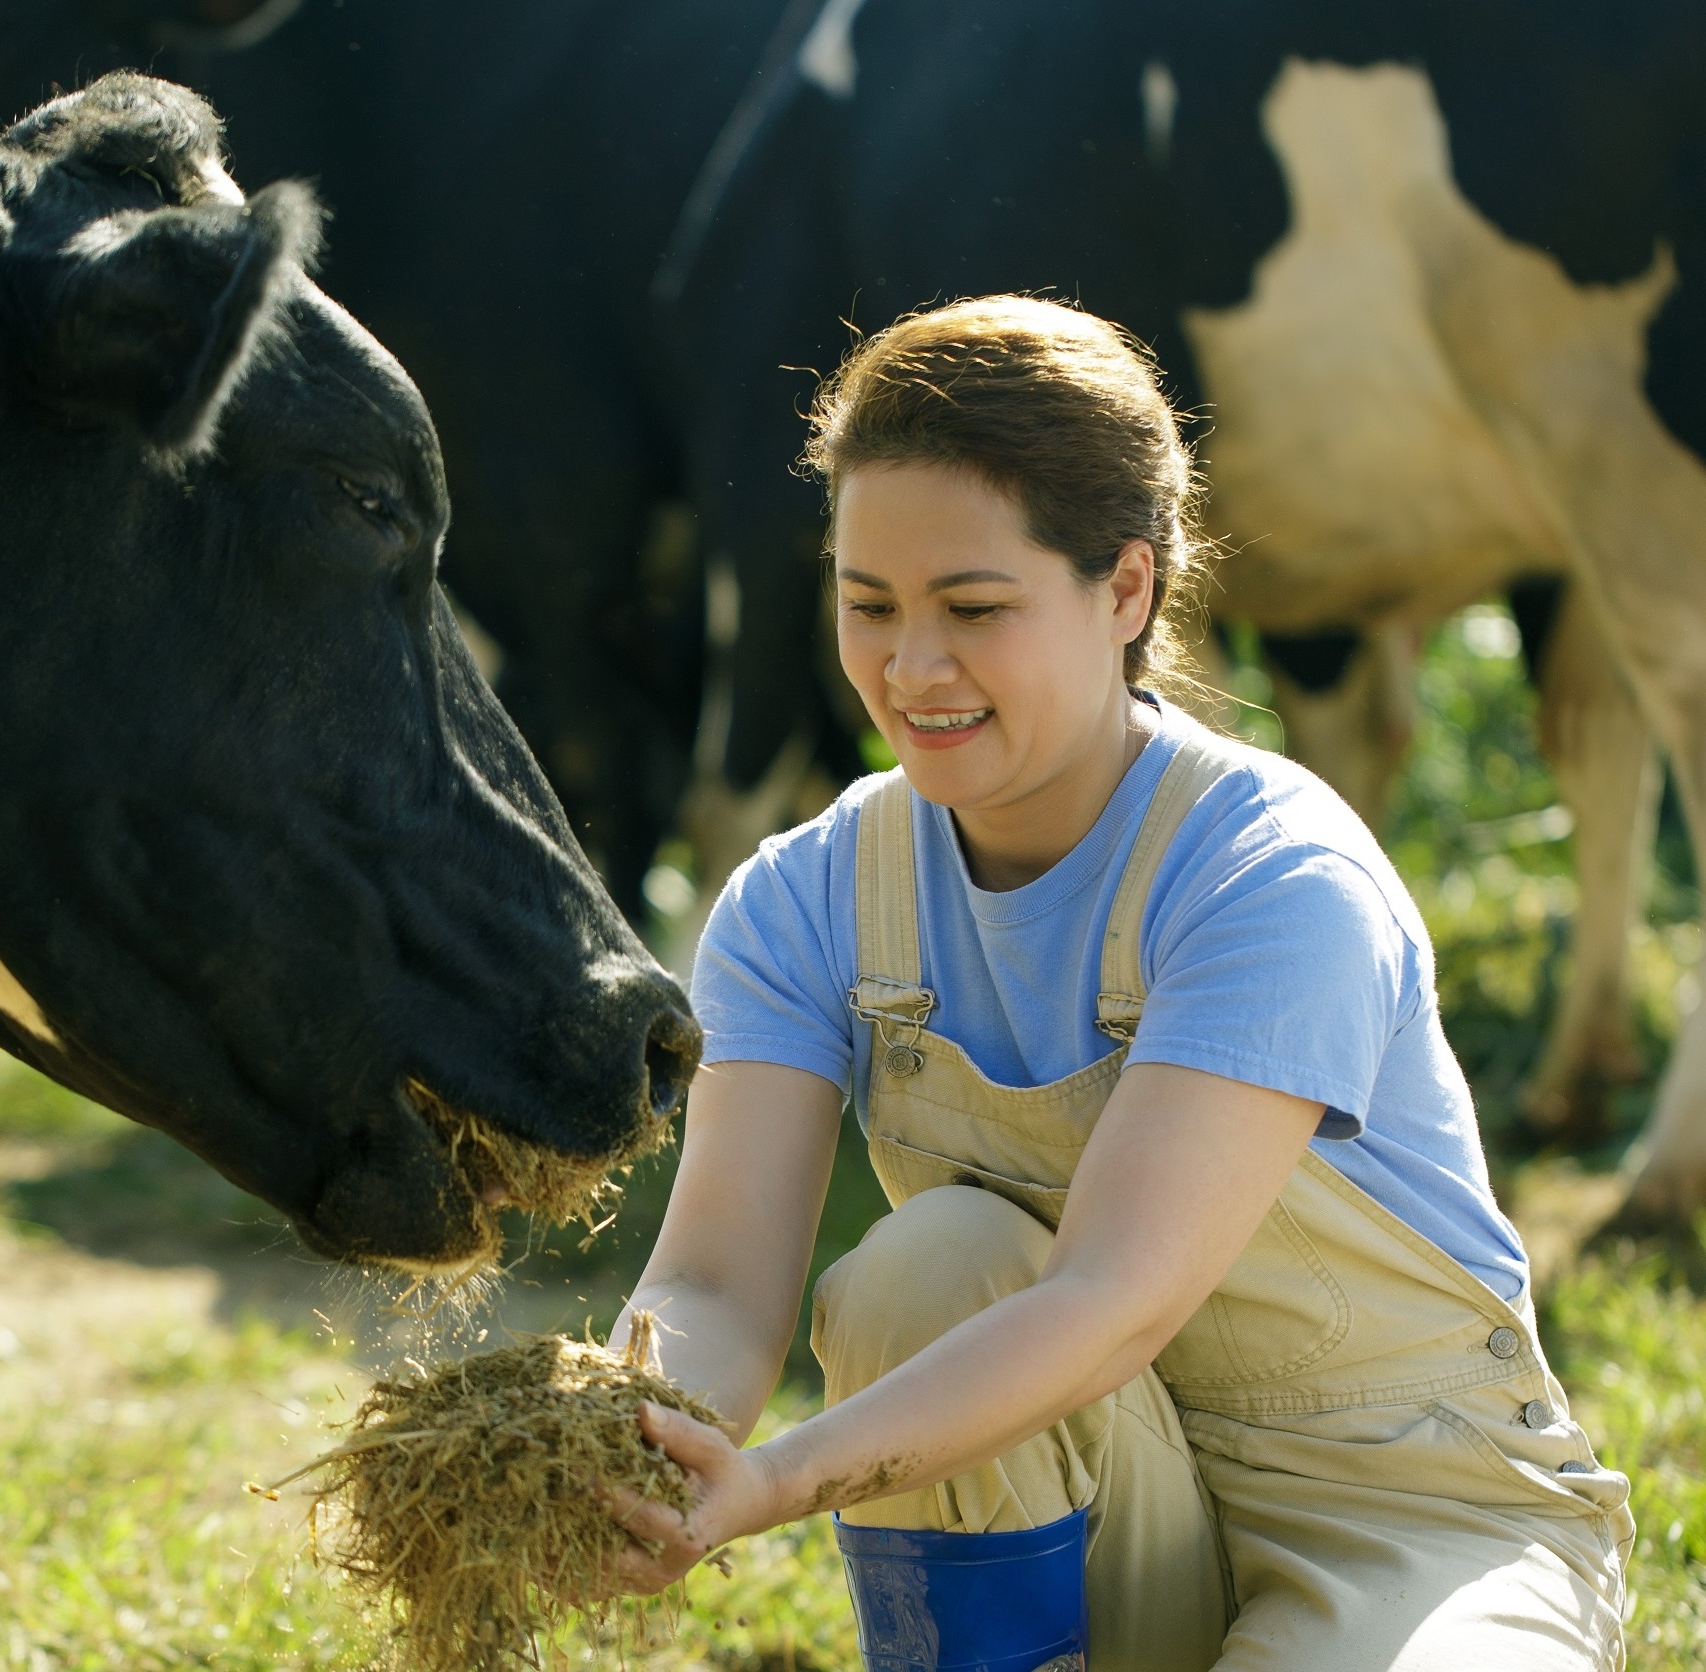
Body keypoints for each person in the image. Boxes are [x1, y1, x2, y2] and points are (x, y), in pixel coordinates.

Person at [591, 296, 1633, 1670]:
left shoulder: (1271, 875)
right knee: (928, 1273)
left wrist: (780, 1483)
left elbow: (1110, 1297)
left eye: (973, 608)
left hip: (1408, 1516)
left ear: (1127, 590)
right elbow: (715, 1285)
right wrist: (632, 1443)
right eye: (868, 604)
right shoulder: (804, 897)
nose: (911, 668)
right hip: (1105, 1498)